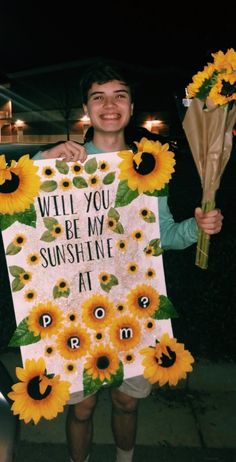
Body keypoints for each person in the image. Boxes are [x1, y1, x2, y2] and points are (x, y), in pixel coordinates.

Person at [33, 61, 223, 462]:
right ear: (87, 108)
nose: (109, 105)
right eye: (98, 97)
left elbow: (165, 234)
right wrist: (41, 160)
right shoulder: (63, 162)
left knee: (126, 403)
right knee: (81, 408)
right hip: (75, 311)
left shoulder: (148, 169)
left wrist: (198, 226)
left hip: (134, 307)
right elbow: (20, 210)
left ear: (131, 106)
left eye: (119, 95)